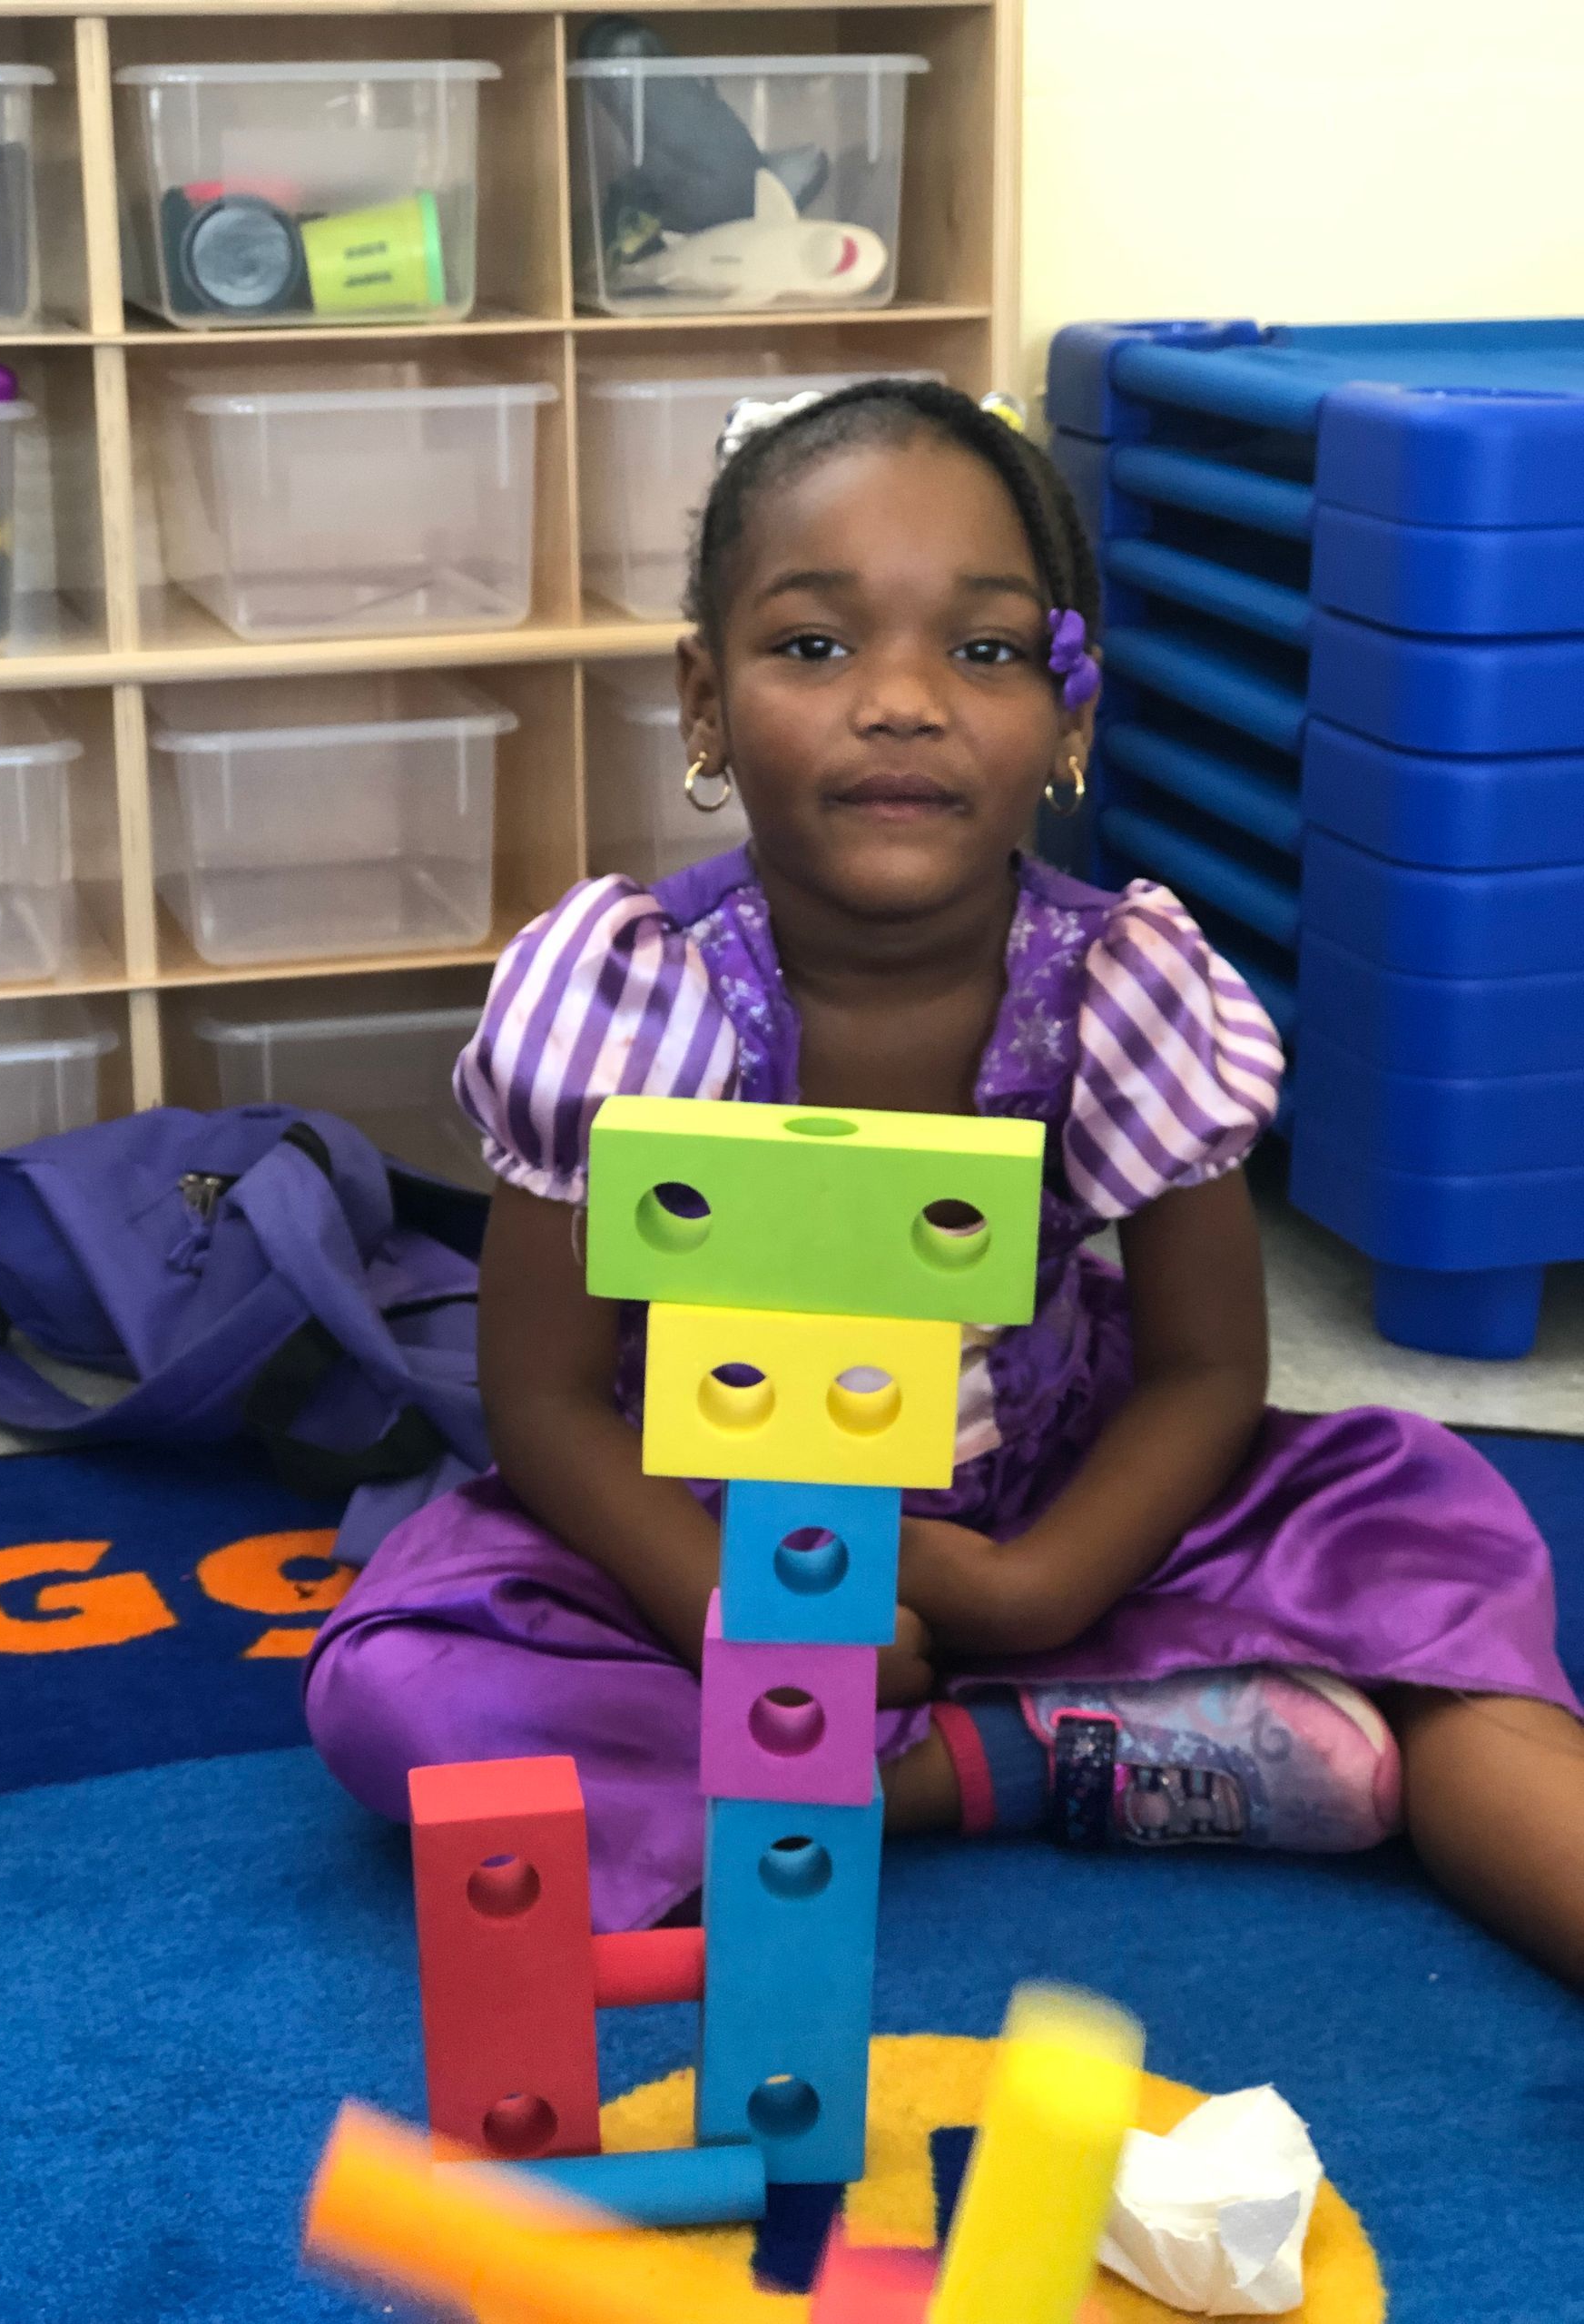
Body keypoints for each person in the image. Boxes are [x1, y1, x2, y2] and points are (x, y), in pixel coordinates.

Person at [305, 381, 1584, 1984]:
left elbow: (1203, 1369)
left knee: (1428, 1547)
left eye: (984, 651)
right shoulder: (624, 992)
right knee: (405, 1692)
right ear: (704, 698)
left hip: (1054, 1502)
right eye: (814, 646)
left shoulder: (1128, 985)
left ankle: (981, 1729)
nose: (899, 702)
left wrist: (1041, 1585)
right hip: (701, 1529)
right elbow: (545, 1394)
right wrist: (720, 1604)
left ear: (1073, 716)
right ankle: (1006, 1764)